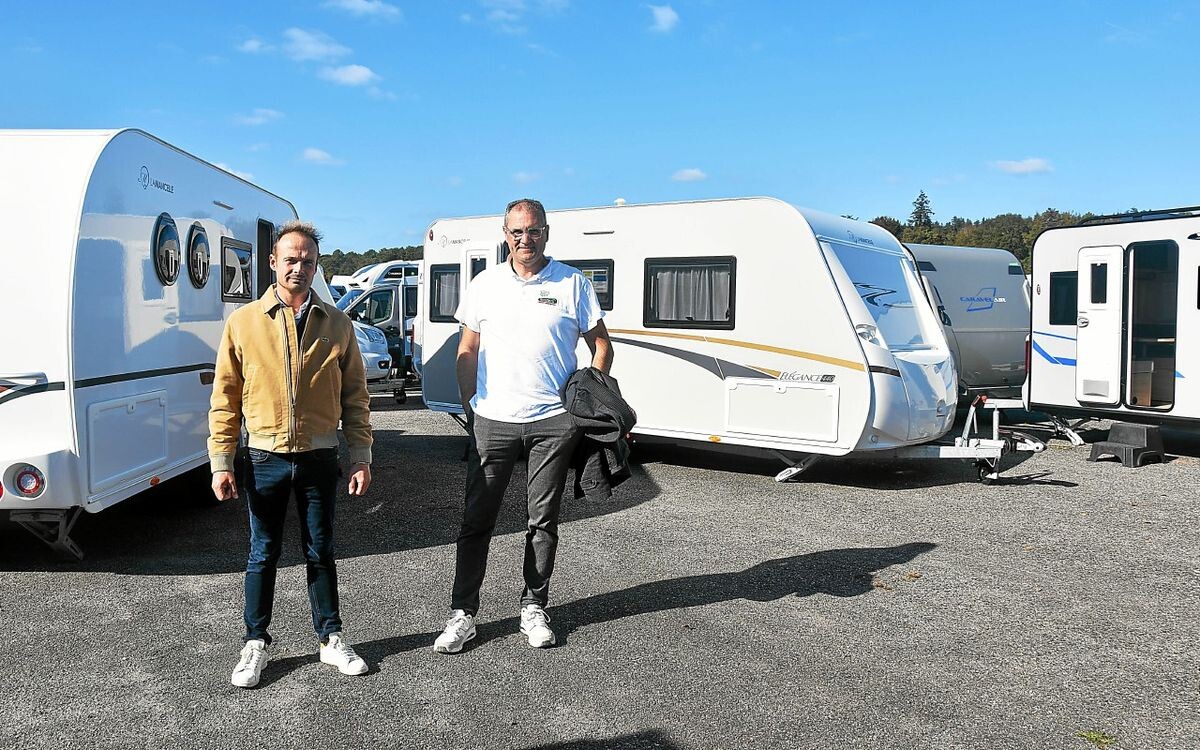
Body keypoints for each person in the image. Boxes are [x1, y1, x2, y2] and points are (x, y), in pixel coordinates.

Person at [433, 198, 613, 654]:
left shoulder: (573, 283)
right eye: (516, 231)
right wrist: (469, 405)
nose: (524, 239)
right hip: (492, 418)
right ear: (505, 234)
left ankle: (533, 606)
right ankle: (463, 614)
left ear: (546, 233)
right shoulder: (485, 284)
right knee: (477, 520)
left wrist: (588, 399)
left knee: (542, 520)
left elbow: (602, 346)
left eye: (533, 231)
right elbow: (467, 349)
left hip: (553, 423)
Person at [208, 220, 374, 688]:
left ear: (317, 265)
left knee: (320, 550)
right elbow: (226, 396)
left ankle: (331, 639)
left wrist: (360, 455)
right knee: (263, 552)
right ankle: (255, 642)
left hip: (320, 457)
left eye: (307, 260)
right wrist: (222, 461)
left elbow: (356, 396)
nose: (299, 267)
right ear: (272, 262)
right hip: (264, 458)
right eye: (291, 259)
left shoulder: (337, 323)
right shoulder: (243, 323)